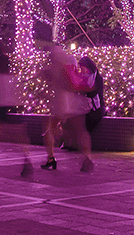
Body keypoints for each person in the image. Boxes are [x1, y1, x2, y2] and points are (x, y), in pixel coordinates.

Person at [39, 42, 94, 173]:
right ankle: (88, 159)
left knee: (50, 129)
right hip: (75, 99)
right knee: (81, 129)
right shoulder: (71, 59)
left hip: (60, 101)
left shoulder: (52, 66)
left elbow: (48, 80)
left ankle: (51, 158)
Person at [0, 43, 32, 177]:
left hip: (0, 107)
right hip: (15, 107)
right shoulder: (13, 78)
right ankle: (27, 160)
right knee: (21, 136)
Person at [78, 56, 105, 134]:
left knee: (86, 124)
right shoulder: (83, 78)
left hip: (97, 108)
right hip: (86, 107)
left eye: (83, 68)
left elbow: (94, 93)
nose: (82, 71)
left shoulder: (97, 78)